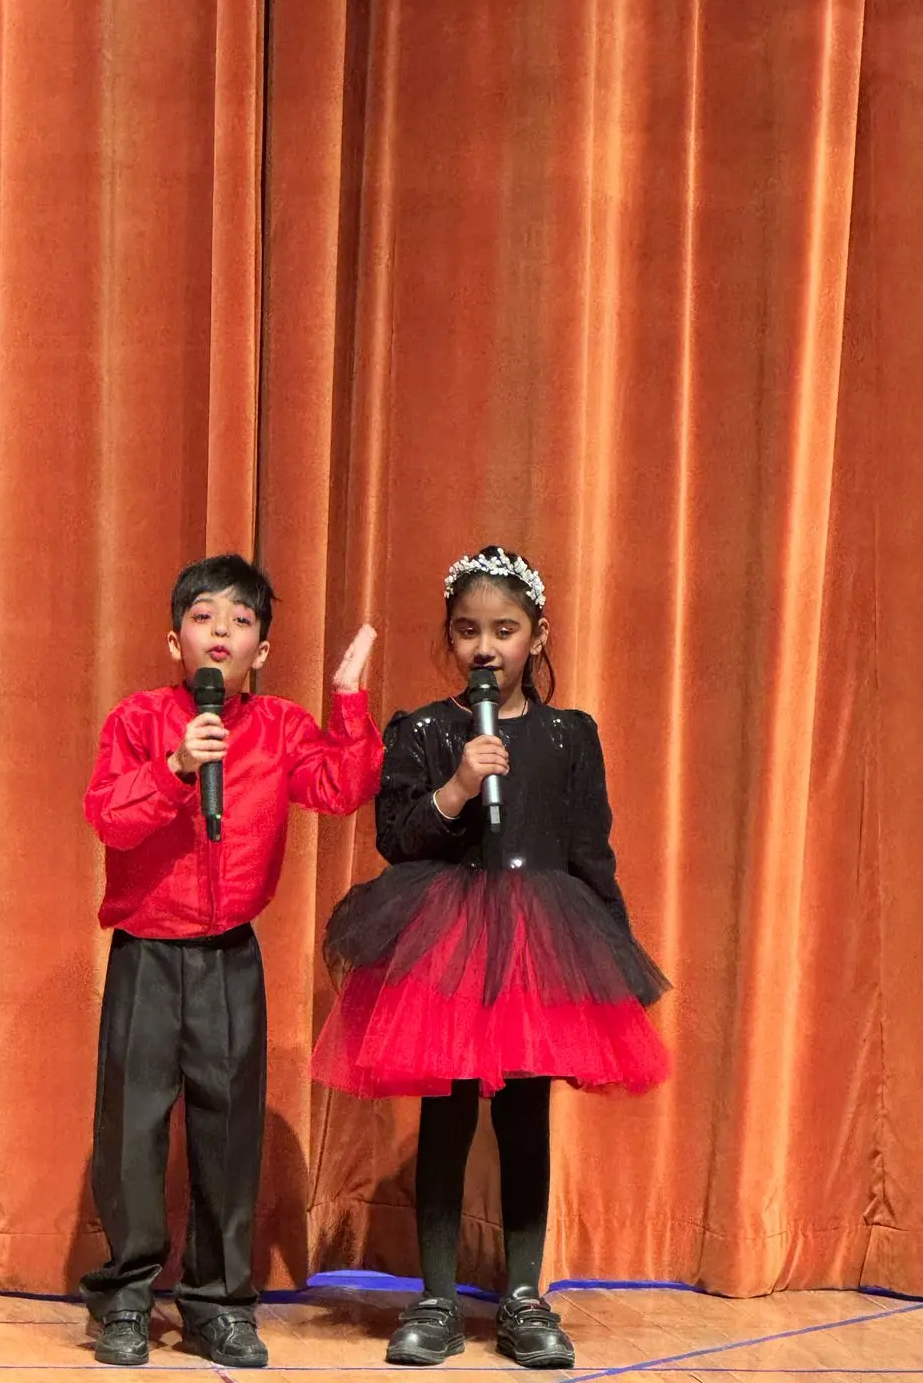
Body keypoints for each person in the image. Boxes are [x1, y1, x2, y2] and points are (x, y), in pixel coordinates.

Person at [312, 546, 670, 1370]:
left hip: (540, 941)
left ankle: (523, 1296)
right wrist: (459, 787)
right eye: (468, 630)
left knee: (524, 1116)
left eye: (505, 630)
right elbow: (398, 838)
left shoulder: (569, 736)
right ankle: (436, 1299)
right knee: (446, 1114)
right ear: (450, 636)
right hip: (447, 939)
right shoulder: (424, 729)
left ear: (536, 637)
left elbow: (590, 852)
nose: (486, 647)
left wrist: (615, 959)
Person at [81, 554, 382, 1368]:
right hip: (148, 952)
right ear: (173, 639)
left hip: (229, 957)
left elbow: (342, 787)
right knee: (132, 1132)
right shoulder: (140, 719)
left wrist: (348, 699)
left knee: (228, 1134)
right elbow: (109, 817)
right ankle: (125, 1298)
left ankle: (217, 1303)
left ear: (263, 649)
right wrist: (177, 767)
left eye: (241, 620)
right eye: (204, 616)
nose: (221, 631)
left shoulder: (280, 727)